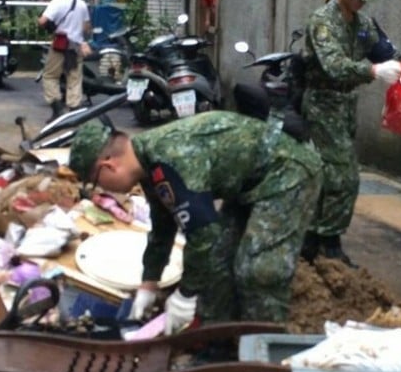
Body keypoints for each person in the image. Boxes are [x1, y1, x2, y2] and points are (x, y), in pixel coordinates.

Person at [67, 110, 322, 334]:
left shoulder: (170, 158)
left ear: (108, 166)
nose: (103, 189)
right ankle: (215, 339)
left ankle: (262, 350)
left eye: (97, 181)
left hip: (288, 171)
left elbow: (203, 235)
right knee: (220, 260)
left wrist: (185, 295)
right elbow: (163, 226)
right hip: (248, 182)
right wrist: (149, 282)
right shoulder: (147, 163)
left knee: (259, 269)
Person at [298, 0, 401, 267]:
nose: (360, 2)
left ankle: (310, 243)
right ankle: (330, 246)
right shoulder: (323, 21)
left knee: (327, 175)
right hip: (321, 104)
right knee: (346, 176)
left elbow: (384, 51)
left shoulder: (362, 24)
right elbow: (334, 66)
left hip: (345, 109)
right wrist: (373, 71)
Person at [37, 0, 91, 119]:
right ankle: (73, 112)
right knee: (74, 79)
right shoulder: (81, 4)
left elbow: (42, 21)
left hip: (60, 46)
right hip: (76, 46)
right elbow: (86, 27)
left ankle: (57, 107)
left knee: (49, 76)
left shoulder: (57, 2)